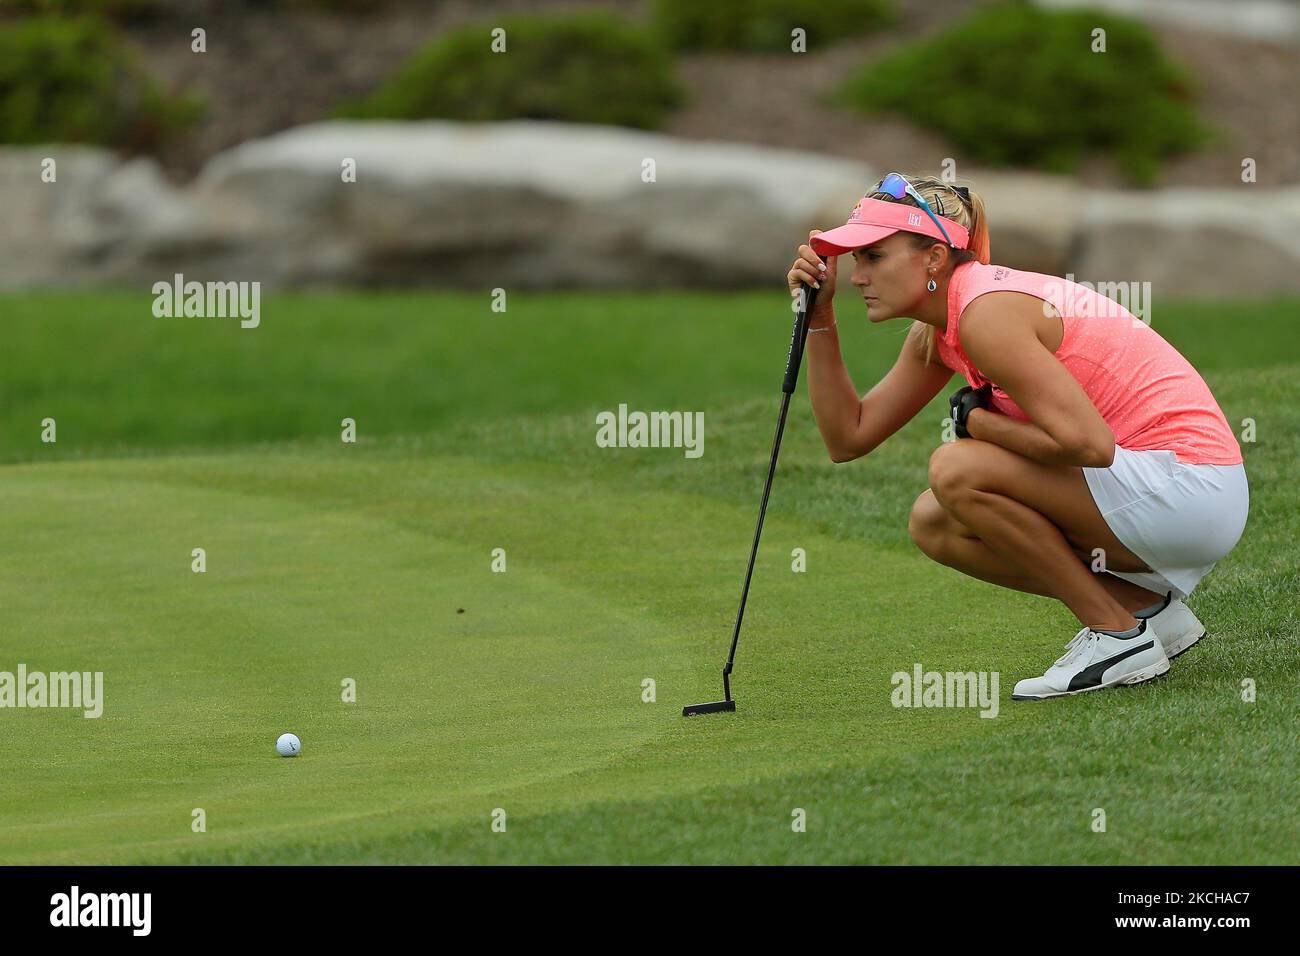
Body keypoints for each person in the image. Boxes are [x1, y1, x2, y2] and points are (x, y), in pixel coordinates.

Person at [786, 172, 1248, 699]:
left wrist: (979, 425)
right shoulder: (945, 328)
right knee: (934, 522)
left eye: (874, 257)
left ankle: (1116, 636)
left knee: (956, 469)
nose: (857, 276)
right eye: (857, 258)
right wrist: (820, 320)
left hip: (1190, 490)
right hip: (1166, 491)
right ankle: (1146, 614)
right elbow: (849, 438)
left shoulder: (986, 313)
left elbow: (1090, 446)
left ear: (934, 257)